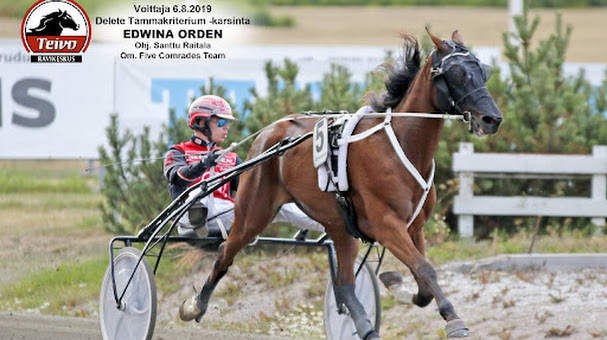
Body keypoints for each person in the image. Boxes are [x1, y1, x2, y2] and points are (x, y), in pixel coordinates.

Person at [163, 94, 323, 239]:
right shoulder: (179, 151)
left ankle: (329, 224)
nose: (226, 127)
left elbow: (250, 189)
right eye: (221, 122)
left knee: (276, 201)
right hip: (191, 215)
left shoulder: (230, 157)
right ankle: (197, 218)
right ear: (200, 122)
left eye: (227, 123)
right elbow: (178, 179)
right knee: (198, 190)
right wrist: (204, 164)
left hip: (226, 214)